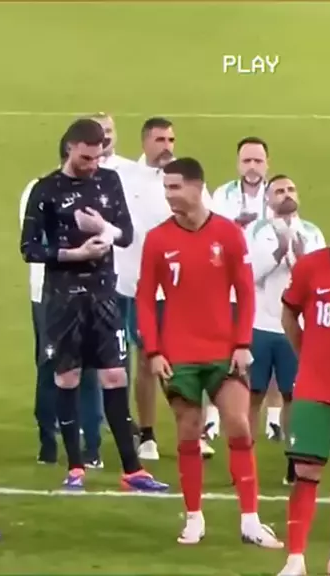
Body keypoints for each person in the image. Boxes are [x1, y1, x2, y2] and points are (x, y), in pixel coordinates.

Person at [136, 157, 282, 547]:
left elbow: (246, 291)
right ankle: (194, 518)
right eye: (166, 188)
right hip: (178, 354)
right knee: (188, 430)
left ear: (198, 188)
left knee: (239, 424)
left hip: (223, 350)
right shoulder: (158, 239)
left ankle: (250, 520)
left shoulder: (228, 234)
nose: (169, 195)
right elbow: (146, 298)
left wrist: (242, 343)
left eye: (175, 187)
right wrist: (154, 351)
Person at [20, 118, 168, 492]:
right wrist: (74, 254)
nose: (93, 165)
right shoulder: (45, 190)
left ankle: (133, 470)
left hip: (104, 295)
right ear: (70, 148)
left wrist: (104, 229)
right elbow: (29, 248)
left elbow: (126, 234)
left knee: (115, 375)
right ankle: (75, 467)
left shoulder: (109, 181)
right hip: (63, 298)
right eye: (86, 158)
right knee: (67, 377)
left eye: (98, 157)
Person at [121, 117, 214, 460]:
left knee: (189, 359)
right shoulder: (126, 178)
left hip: (182, 288)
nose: (167, 146)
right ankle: (147, 435)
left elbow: (208, 222)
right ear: (145, 142)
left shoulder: (186, 179)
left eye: (171, 139)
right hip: (139, 285)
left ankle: (194, 432)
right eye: (160, 139)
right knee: (147, 360)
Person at [20, 135, 104, 468]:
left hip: (92, 290)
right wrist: (78, 250)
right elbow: (34, 244)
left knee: (90, 367)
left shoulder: (97, 189)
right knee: (51, 366)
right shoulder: (38, 190)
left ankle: (91, 446)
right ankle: (49, 444)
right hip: (49, 293)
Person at [278, 201, 330, 576]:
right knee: (305, 472)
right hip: (314, 388)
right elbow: (289, 312)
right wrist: (305, 352)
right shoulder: (311, 267)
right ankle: (295, 559)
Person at [246, 175, 326, 486]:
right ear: (268, 199)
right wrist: (279, 253)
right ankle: (245, 460)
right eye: (279, 191)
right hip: (261, 325)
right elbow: (250, 274)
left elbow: (319, 279)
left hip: (296, 327)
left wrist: (301, 259)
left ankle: (294, 461)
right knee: (253, 393)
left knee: (294, 395)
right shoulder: (257, 231)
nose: (286, 194)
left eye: (291, 189)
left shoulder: (313, 233)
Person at [212, 137, 282, 441]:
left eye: (258, 161)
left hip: (268, 283)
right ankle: (213, 416)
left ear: (267, 164)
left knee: (274, 346)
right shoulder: (222, 195)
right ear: (238, 163)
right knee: (222, 349)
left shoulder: (277, 193)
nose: (252, 167)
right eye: (247, 161)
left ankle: (274, 417)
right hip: (228, 283)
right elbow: (211, 233)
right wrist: (235, 227)